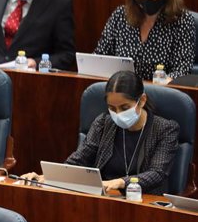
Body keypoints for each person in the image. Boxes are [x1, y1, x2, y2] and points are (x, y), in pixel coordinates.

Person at [22, 71, 179, 195]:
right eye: (112, 108)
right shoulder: (104, 123)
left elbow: (157, 173)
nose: (118, 113)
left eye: (124, 108)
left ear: (142, 100)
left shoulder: (165, 129)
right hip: (104, 197)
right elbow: (80, 158)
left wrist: (120, 182)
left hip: (144, 201)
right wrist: (49, 177)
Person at [95, 0, 195, 81]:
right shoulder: (121, 15)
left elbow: (183, 69)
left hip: (161, 93)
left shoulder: (181, 20)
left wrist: (165, 81)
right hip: (123, 91)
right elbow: (99, 57)